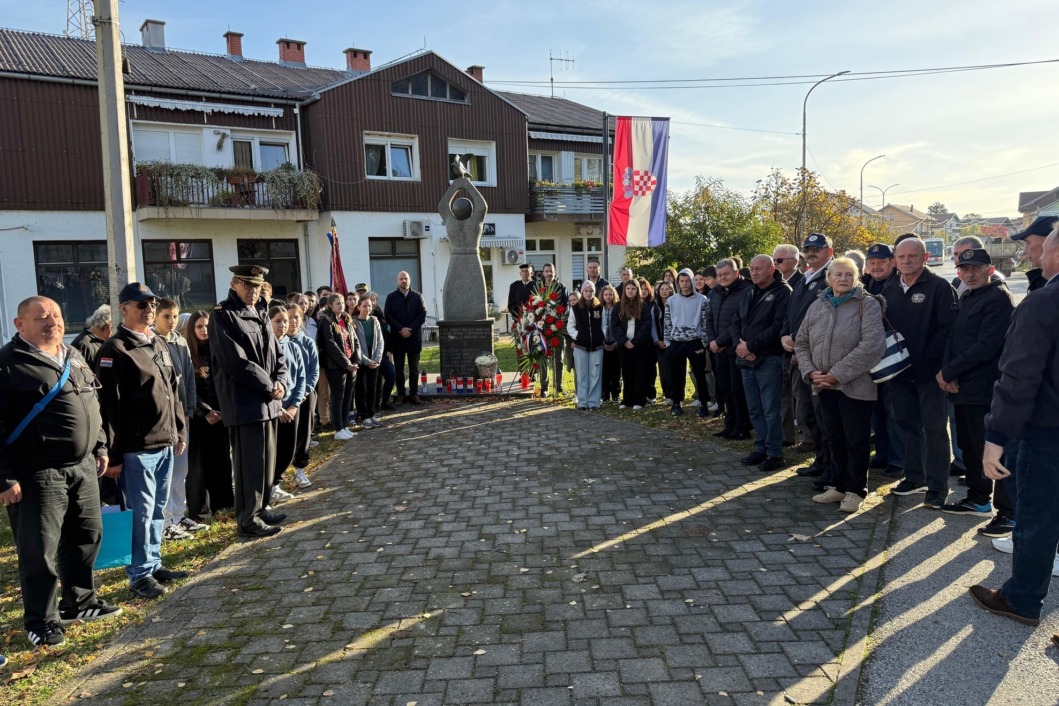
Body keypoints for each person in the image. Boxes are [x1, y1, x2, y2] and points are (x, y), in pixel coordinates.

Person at [0, 296, 121, 648]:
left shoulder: (73, 354)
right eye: (41, 318)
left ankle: (79, 602)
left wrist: (99, 446)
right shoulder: (8, 364)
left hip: (82, 467)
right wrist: (4, 478)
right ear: (20, 324)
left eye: (56, 315)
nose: (52, 322)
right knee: (39, 551)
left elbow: (91, 401)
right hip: (37, 472)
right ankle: (41, 620)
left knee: (86, 536)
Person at [969, 227, 1059, 627]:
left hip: (1046, 431)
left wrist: (996, 437)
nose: (1030, 250)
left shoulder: (1043, 303)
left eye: (1037, 245)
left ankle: (1021, 599)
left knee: (1038, 519)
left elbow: (1019, 377)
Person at [97, 283, 188, 598]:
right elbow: (109, 407)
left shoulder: (158, 343)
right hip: (137, 449)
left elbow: (172, 390)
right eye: (141, 305)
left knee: (158, 508)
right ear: (124, 309)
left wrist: (179, 429)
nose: (149, 310)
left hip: (165, 442)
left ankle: (153, 563)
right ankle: (138, 576)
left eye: (152, 304)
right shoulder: (115, 349)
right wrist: (114, 455)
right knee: (141, 512)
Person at [795, 258, 886, 512]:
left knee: (855, 441)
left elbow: (872, 346)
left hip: (855, 387)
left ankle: (856, 490)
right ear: (829, 278)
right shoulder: (817, 306)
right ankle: (837, 486)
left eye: (849, 274)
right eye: (838, 274)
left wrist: (836, 374)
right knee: (833, 438)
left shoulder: (867, 305)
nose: (843, 279)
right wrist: (811, 372)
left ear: (857, 277)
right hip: (823, 386)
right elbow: (801, 343)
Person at [209, 266, 288, 539]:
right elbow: (235, 361)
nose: (253, 291)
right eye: (247, 285)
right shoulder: (223, 315)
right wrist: (269, 385)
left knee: (267, 462)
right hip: (245, 403)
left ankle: (261, 507)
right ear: (233, 284)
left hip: (269, 401)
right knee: (249, 465)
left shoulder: (262, 311)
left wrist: (280, 382)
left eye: (256, 286)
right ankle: (247, 519)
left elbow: (277, 355)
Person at [937, 248, 1014, 518]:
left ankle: (1003, 509)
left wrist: (950, 371)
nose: (970, 274)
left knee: (986, 448)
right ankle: (977, 498)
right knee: (969, 446)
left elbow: (986, 346)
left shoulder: (998, 298)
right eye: (964, 269)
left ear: (989, 270)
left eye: (976, 269)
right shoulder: (968, 295)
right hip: (961, 384)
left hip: (983, 387)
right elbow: (953, 336)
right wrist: (947, 372)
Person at [883, 238, 957, 508]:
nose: (906, 261)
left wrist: (939, 367)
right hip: (899, 374)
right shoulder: (889, 289)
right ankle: (915, 477)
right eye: (901, 256)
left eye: (912, 256)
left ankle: (938, 487)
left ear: (925, 257)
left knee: (935, 430)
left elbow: (948, 331)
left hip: (930, 375)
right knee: (907, 425)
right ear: (895, 259)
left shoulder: (939, 287)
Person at [782, 233, 835, 486]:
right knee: (810, 412)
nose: (811, 253)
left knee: (824, 416)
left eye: (817, 248)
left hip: (818, 359)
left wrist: (797, 345)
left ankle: (830, 466)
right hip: (801, 356)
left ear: (829, 251)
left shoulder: (832, 277)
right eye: (808, 249)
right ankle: (821, 460)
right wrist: (786, 337)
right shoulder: (804, 279)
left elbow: (824, 321)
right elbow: (791, 314)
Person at [731, 256, 792, 472]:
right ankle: (761, 447)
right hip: (746, 359)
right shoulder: (749, 291)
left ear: (771, 270)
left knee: (770, 410)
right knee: (754, 409)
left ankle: (774, 453)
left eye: (758, 269)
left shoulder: (783, 292)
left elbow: (778, 327)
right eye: (752, 269)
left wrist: (751, 347)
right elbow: (736, 321)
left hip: (769, 359)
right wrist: (740, 345)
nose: (754, 272)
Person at [153, 298, 203, 541]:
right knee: (167, 473)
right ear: (155, 317)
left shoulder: (180, 341)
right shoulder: (152, 342)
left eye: (174, 316)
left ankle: (179, 515)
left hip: (182, 414)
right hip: (164, 418)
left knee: (181, 470)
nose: (172, 321)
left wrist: (190, 409)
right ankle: (166, 521)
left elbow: (188, 380)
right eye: (166, 316)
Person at [183, 311, 234, 521]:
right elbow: (187, 389)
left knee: (222, 461)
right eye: (199, 327)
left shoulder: (219, 350)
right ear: (191, 330)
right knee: (198, 469)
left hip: (221, 416)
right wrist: (204, 412)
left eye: (207, 326)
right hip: (199, 419)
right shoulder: (187, 354)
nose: (204, 330)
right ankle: (201, 511)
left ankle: (223, 503)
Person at [862, 244, 904, 478]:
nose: (876, 266)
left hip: (890, 355)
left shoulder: (898, 285)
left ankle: (898, 460)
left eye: (881, 261)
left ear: (892, 262)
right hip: (870, 356)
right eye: (872, 262)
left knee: (894, 411)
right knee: (876, 409)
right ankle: (882, 454)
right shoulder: (864, 284)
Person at [705, 259, 753, 439]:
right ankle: (730, 424)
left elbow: (737, 320)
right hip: (718, 349)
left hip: (735, 348)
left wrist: (719, 341)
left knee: (737, 390)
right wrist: (712, 340)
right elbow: (709, 318)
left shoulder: (746, 291)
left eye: (726, 274)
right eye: (719, 275)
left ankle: (742, 427)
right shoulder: (715, 292)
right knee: (725, 388)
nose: (723, 278)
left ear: (736, 272)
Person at [268, 306, 307, 507]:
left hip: (292, 406)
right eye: (278, 321)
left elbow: (301, 377)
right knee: (273, 450)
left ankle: (276, 483)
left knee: (289, 449)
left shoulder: (294, 346)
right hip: (274, 409)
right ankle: (270, 486)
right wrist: (279, 408)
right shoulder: (266, 347)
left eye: (285, 321)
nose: (283, 325)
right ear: (269, 322)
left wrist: (294, 405)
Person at [664, 268, 711, 417]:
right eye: (681, 281)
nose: (684, 284)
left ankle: (704, 404)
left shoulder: (702, 300)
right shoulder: (672, 300)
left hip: (695, 342)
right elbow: (667, 322)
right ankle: (677, 403)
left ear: (691, 281)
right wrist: (667, 341)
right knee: (676, 375)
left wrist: (703, 343)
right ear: (678, 282)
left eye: (687, 281)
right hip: (676, 343)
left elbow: (705, 322)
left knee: (700, 375)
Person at [317, 293, 360, 440]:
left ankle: (344, 425)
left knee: (348, 396)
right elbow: (331, 345)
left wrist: (356, 361)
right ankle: (338, 428)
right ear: (330, 305)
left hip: (350, 365)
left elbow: (355, 341)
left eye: (342, 303)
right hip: (336, 366)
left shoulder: (346, 319)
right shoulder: (326, 321)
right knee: (338, 397)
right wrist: (346, 363)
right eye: (337, 303)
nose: (341, 305)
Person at [773, 244, 804, 449]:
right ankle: (786, 435)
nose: (775, 265)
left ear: (794, 261)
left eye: (779, 261)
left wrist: (796, 347)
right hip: (779, 346)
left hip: (798, 347)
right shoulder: (777, 283)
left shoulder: (801, 282)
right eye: (774, 260)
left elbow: (802, 318)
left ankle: (807, 435)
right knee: (783, 393)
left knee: (800, 395)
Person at [287, 303, 319, 490]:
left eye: (296, 317)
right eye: (289, 318)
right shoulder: (278, 341)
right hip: (286, 398)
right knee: (286, 436)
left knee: (304, 432)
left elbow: (313, 370)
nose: (292, 322)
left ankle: (300, 469)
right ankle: (280, 474)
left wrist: (305, 391)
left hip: (305, 395)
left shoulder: (306, 341)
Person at [384, 271, 427, 405]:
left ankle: (414, 394)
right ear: (397, 281)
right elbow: (388, 315)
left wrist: (411, 329)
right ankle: (401, 394)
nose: (404, 281)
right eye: (401, 279)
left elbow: (422, 315)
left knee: (414, 368)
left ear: (410, 280)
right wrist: (400, 329)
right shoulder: (391, 297)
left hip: (413, 337)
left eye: (406, 278)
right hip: (397, 337)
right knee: (399, 368)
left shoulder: (418, 297)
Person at [613, 279, 652, 409]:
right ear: (625, 290)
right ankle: (627, 400)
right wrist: (624, 341)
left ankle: (639, 400)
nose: (630, 291)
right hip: (624, 346)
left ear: (637, 291)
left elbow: (646, 326)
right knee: (627, 372)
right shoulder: (618, 306)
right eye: (628, 289)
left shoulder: (643, 306)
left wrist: (635, 341)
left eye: (633, 289)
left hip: (639, 346)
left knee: (639, 372)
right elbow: (615, 326)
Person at [568, 281, 605, 410]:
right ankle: (583, 401)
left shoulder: (599, 307)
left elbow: (604, 325)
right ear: (582, 292)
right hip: (580, 347)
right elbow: (570, 327)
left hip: (597, 347)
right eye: (586, 291)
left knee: (595, 374)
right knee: (582, 374)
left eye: (591, 291)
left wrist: (601, 336)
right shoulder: (575, 308)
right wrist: (578, 337)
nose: (589, 294)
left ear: (594, 292)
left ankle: (594, 401)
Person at [354, 296, 385, 428]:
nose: (367, 308)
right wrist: (366, 361)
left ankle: (372, 414)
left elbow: (380, 342)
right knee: (363, 389)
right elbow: (356, 346)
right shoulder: (354, 322)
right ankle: (364, 416)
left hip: (375, 361)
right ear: (359, 307)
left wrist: (377, 359)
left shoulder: (374, 320)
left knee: (373, 389)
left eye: (370, 306)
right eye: (365, 306)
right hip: (362, 362)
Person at [538, 263, 568, 396]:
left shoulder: (561, 287)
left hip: (558, 328)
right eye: (546, 271)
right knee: (543, 357)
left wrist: (558, 322)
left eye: (551, 271)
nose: (549, 273)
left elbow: (565, 306)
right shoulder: (538, 287)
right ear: (543, 273)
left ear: (555, 272)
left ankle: (559, 386)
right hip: (541, 328)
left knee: (558, 358)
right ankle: (544, 387)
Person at [1010, 215, 1057, 293]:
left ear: (1047, 242)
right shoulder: (1043, 280)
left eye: (1028, 243)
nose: (1025, 251)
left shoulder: (1051, 290)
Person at [366, 291, 396, 413]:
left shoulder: (379, 312)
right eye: (370, 300)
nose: (372, 303)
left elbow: (386, 334)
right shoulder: (360, 316)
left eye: (374, 300)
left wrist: (389, 349)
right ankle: (372, 405)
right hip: (367, 355)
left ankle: (384, 401)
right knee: (374, 382)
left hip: (382, 353)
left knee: (390, 374)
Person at [71, 304, 112, 369]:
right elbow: (79, 373)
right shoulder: (82, 344)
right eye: (114, 328)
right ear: (109, 326)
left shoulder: (102, 342)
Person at [653, 281, 675, 403]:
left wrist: (670, 340)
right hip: (660, 344)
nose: (664, 291)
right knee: (664, 371)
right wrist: (657, 340)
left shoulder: (676, 304)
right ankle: (667, 395)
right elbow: (653, 326)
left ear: (671, 290)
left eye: (667, 289)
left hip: (673, 342)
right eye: (662, 289)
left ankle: (676, 394)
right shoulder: (655, 306)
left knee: (675, 369)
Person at [599, 284, 621, 403]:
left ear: (614, 295)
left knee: (616, 371)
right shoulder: (599, 308)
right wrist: (603, 344)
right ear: (602, 296)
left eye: (610, 294)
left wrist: (617, 343)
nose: (608, 297)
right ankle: (605, 395)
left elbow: (621, 326)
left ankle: (616, 394)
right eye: (606, 294)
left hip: (616, 343)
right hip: (603, 344)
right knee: (605, 371)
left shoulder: (618, 308)